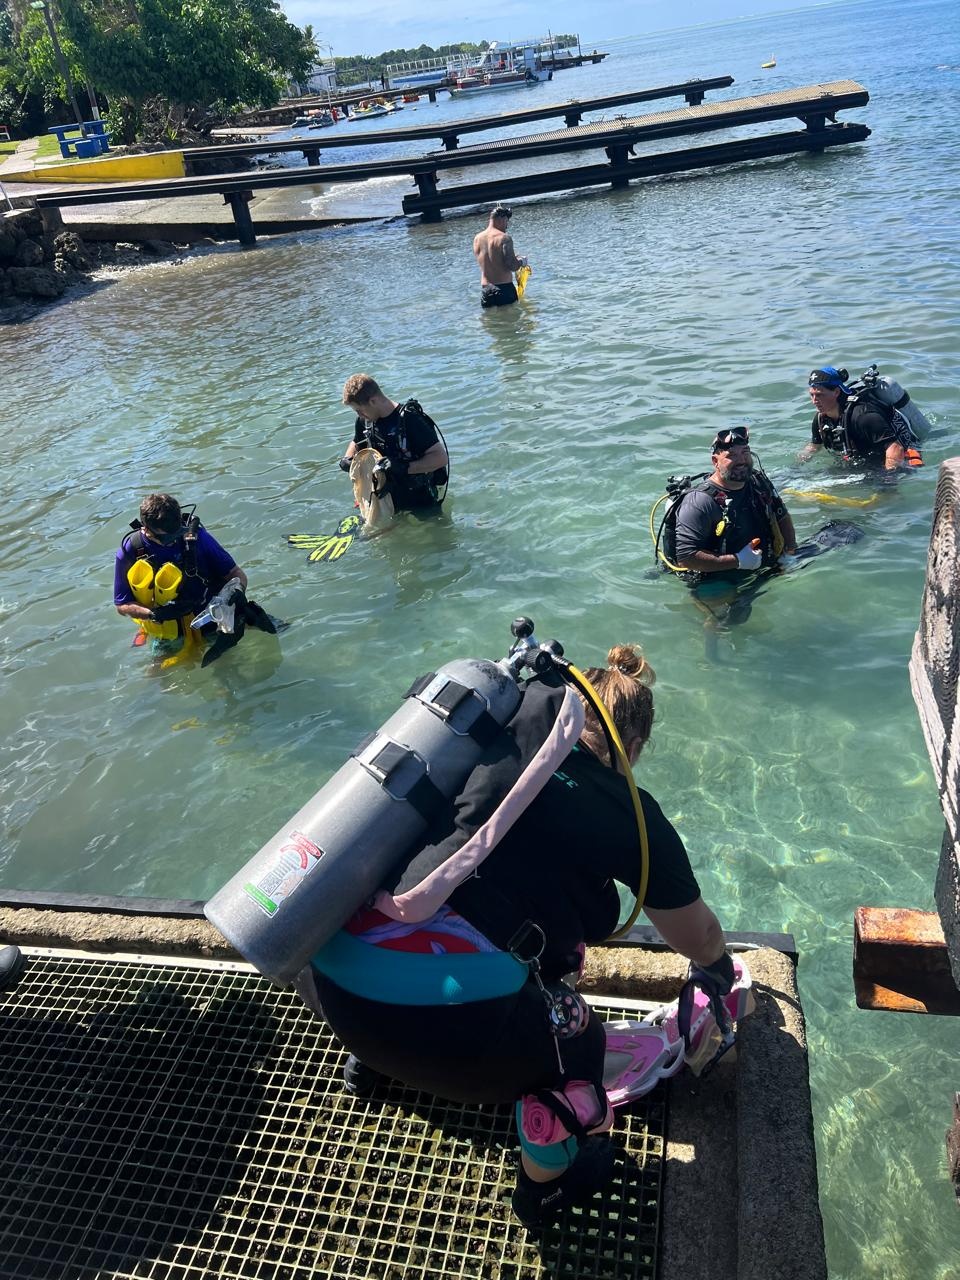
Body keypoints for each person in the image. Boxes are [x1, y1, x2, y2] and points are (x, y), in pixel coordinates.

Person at [300, 644, 738, 1229]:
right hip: (435, 1035)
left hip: (324, 984)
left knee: (415, 920)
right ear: (631, 750)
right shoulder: (625, 807)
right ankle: (545, 1191)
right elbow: (699, 935)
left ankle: (371, 1070)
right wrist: (721, 972)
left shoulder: (470, 750)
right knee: (579, 1046)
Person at [114, 493, 274, 665]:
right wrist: (154, 614)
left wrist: (237, 590)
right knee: (157, 677)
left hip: (210, 616)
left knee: (231, 664)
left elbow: (236, 573)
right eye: (167, 537)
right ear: (146, 529)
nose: (174, 540)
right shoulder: (132, 550)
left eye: (177, 532)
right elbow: (122, 605)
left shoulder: (198, 538)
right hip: (169, 627)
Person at [671, 427, 797, 581]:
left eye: (745, 452)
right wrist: (738, 561)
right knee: (732, 605)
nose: (741, 461)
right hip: (720, 578)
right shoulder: (699, 501)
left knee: (832, 534)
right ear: (715, 462)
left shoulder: (757, 480)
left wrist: (790, 552)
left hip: (769, 565)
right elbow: (686, 557)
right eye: (732, 455)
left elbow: (781, 515)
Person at [338, 374, 448, 512]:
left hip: (419, 497)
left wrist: (403, 467)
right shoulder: (365, 421)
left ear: (373, 401)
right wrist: (348, 458)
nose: (359, 415)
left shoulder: (410, 420)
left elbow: (440, 458)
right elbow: (356, 441)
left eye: (359, 410)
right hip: (385, 496)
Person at [801, 366, 913, 470]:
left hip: (884, 463)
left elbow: (895, 448)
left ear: (836, 392)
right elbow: (814, 446)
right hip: (856, 461)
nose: (814, 400)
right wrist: (796, 467)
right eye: (812, 395)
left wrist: (888, 484)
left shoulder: (863, 416)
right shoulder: (821, 418)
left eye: (820, 395)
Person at [473, 205, 528, 308]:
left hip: (486, 290)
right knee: (511, 322)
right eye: (507, 221)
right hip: (504, 289)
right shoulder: (504, 238)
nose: (507, 226)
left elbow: (490, 260)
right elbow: (512, 265)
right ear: (501, 219)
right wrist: (521, 262)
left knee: (490, 322)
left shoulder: (477, 238)